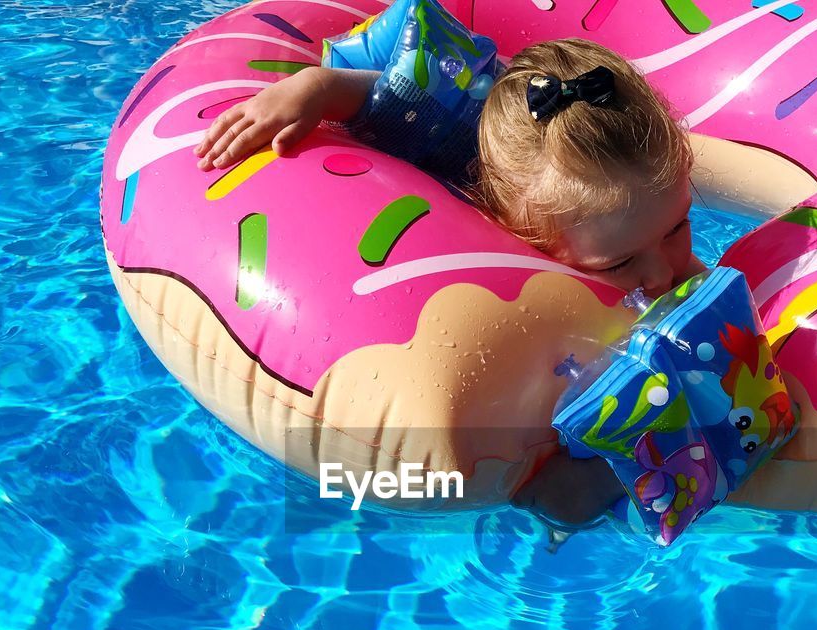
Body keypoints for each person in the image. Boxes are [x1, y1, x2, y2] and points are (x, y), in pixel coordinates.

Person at [195, 31, 707, 529]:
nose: (663, 271)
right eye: (617, 264)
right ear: (515, 229)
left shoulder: (631, 229)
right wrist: (315, 88)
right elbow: (385, 105)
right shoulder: (484, 179)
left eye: (678, 227)